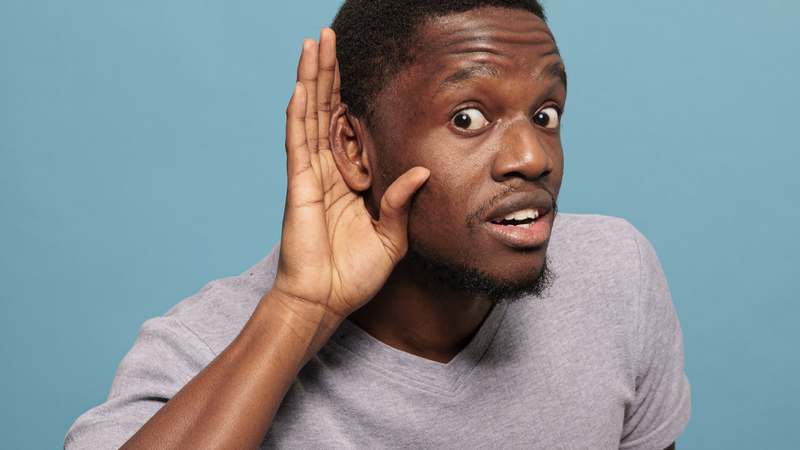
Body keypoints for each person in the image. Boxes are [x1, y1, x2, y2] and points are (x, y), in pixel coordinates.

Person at [65, 0, 690, 448]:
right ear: (354, 148)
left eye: (546, 113)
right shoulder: (207, 351)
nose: (533, 157)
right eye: (469, 119)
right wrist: (300, 310)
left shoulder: (615, 274)